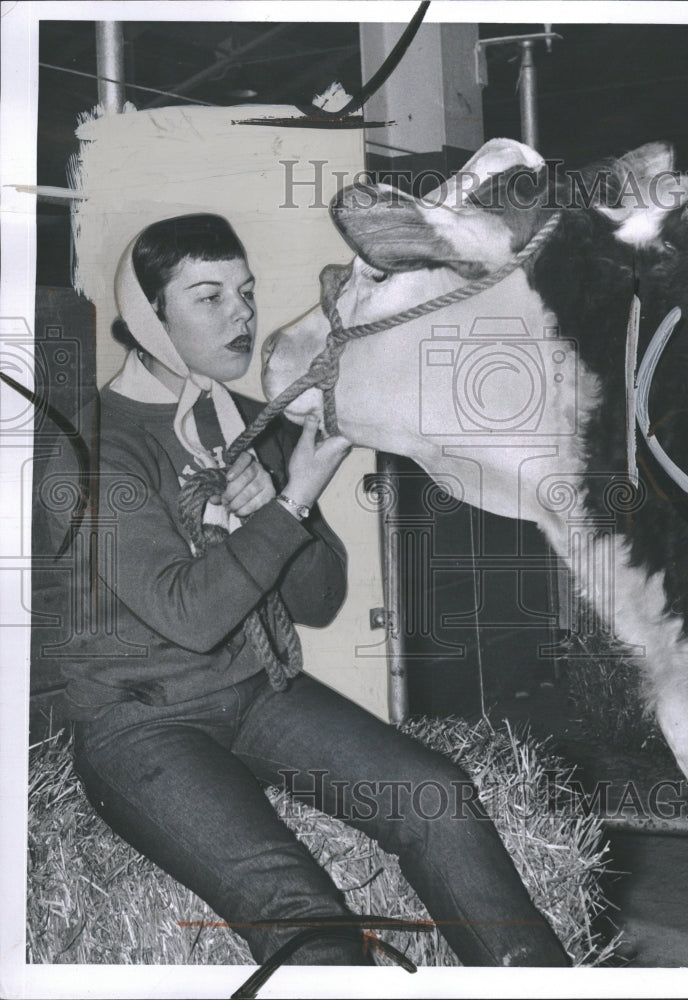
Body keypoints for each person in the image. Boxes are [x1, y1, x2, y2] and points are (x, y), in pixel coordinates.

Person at [49, 213, 570, 968]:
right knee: (306, 922)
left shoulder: (243, 426)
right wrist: (289, 504)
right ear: (147, 317)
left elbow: (319, 598)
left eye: (247, 292)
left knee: (438, 796)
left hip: (255, 691)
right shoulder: (91, 452)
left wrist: (271, 503)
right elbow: (190, 616)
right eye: (208, 297)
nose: (242, 316)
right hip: (141, 724)